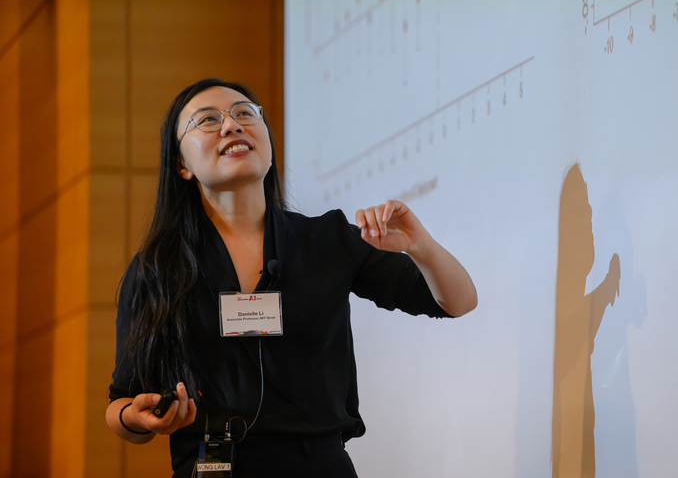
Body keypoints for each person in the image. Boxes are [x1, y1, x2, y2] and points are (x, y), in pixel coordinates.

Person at [105, 78, 477, 477]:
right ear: (181, 165)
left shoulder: (328, 240)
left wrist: (420, 245)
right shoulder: (157, 270)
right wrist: (140, 419)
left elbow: (458, 302)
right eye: (207, 120)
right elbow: (120, 404)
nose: (231, 125)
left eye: (245, 114)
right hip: (213, 467)